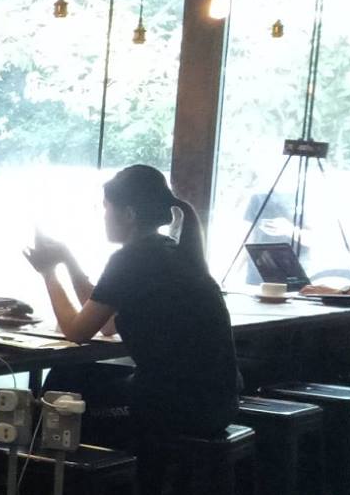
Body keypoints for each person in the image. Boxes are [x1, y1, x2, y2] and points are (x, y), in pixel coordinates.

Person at [25, 163, 239, 440]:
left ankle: (49, 465)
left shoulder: (132, 258)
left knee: (61, 391)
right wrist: (69, 260)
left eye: (106, 207)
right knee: (73, 376)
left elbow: (77, 331)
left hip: (176, 409)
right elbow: (108, 324)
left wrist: (48, 273)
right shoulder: (173, 252)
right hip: (218, 404)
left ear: (129, 214)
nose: (103, 216)